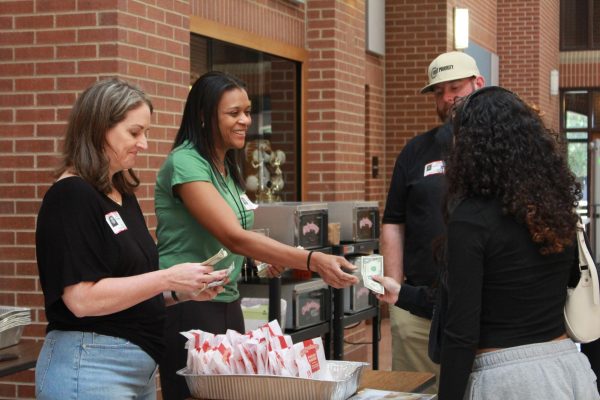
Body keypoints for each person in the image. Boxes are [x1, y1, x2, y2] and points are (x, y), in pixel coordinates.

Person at [376, 86, 600, 399]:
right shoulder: (556, 210)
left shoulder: (471, 219)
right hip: (567, 370)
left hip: (507, 381)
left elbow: (462, 331)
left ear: (471, 146)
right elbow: (511, 297)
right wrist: (405, 294)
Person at [155, 71, 359, 399]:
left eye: (247, 111)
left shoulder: (224, 165)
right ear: (204, 117)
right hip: (188, 305)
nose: (245, 121)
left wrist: (262, 258)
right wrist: (313, 259)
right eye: (233, 113)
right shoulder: (186, 163)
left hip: (226, 300)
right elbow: (233, 236)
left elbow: (233, 237)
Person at [34, 78, 228, 400]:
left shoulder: (122, 194)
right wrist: (167, 276)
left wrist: (179, 291)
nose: (144, 144)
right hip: (90, 366)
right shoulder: (71, 196)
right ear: (99, 129)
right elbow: (82, 300)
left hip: (137, 369)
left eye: (146, 133)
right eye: (134, 132)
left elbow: (130, 287)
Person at [378, 51, 484, 387]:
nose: (447, 98)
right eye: (439, 92)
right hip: (417, 309)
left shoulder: (499, 149)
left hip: (484, 311)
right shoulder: (415, 151)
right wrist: (396, 291)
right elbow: (393, 220)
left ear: (478, 84)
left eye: (455, 87)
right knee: (416, 393)